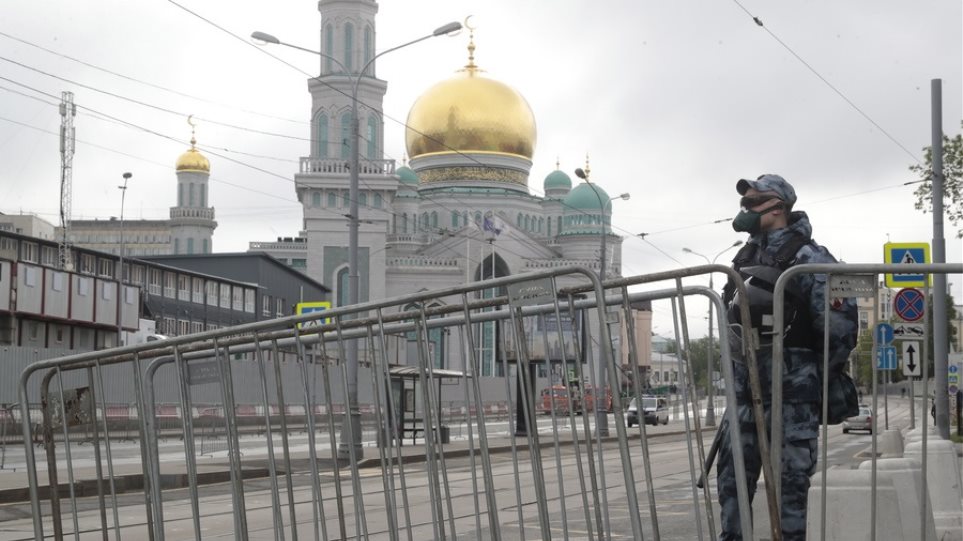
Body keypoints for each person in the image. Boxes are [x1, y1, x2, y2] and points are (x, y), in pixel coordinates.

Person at [716, 174, 858, 541]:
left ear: (778, 207)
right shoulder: (742, 256)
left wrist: (807, 377)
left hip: (792, 400)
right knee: (731, 487)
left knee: (790, 493)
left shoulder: (814, 258)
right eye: (743, 203)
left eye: (753, 202)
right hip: (744, 396)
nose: (744, 209)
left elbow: (841, 331)